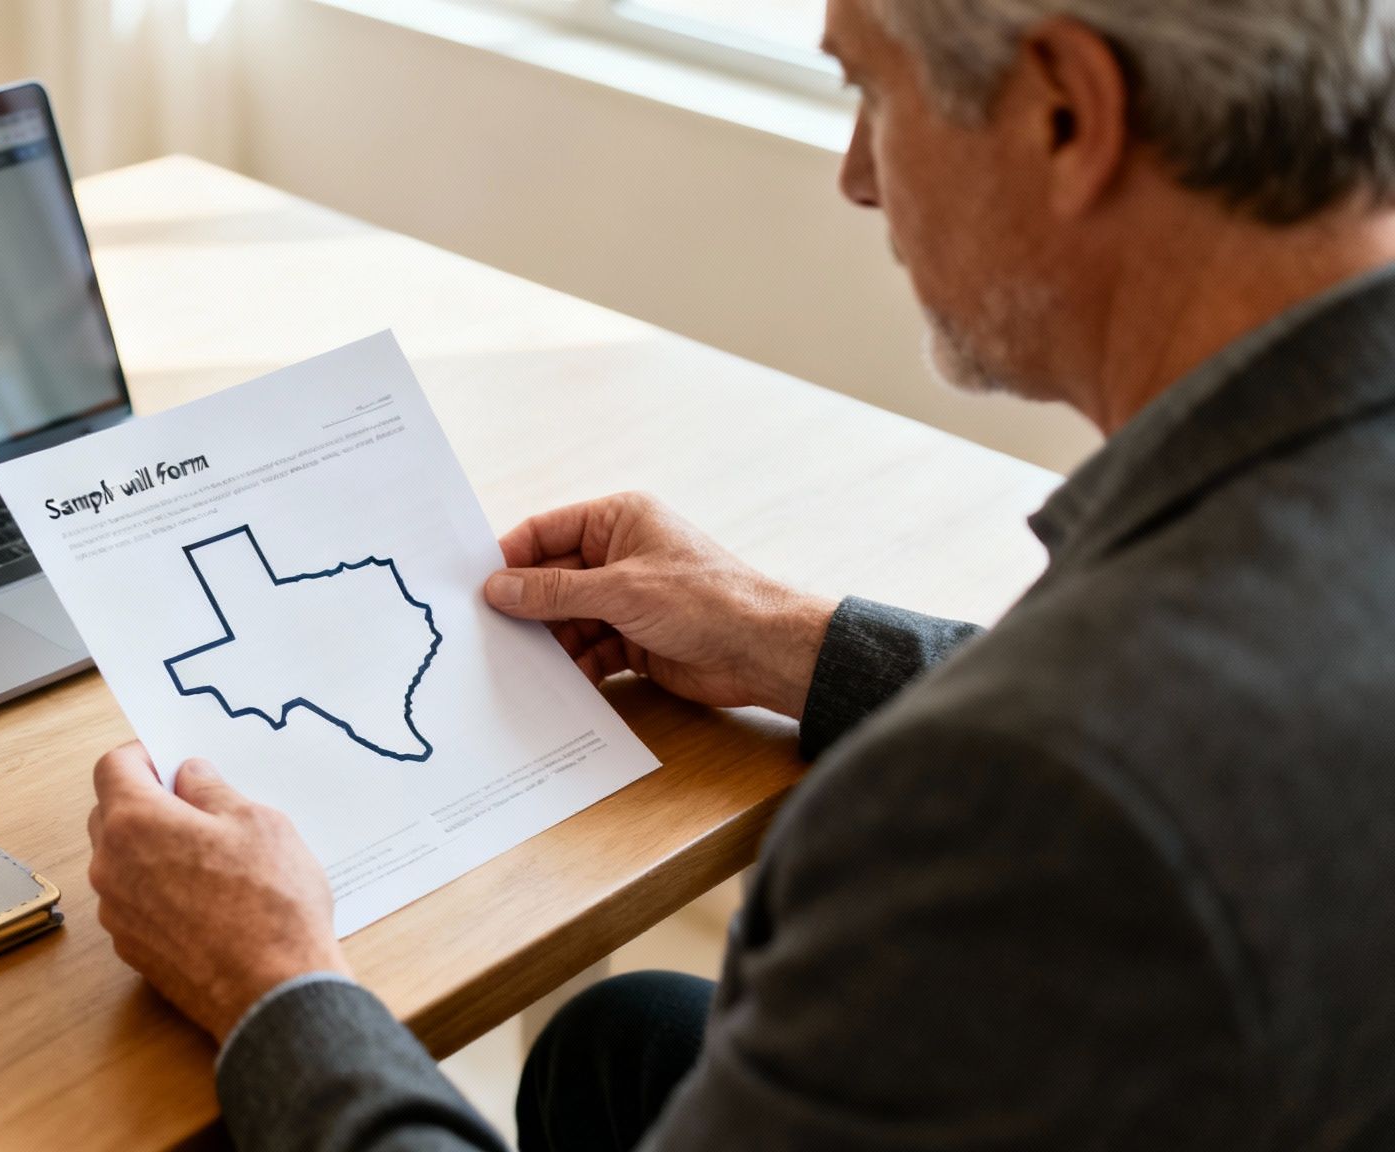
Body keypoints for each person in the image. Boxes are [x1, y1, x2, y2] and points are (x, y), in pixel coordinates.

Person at [84, 0, 1395, 1147]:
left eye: (869, 87)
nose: (859, 175)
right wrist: (794, 638)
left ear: (1066, 112)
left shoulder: (1027, 800)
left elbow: (1095, 765)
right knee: (629, 1041)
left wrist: (277, 985)